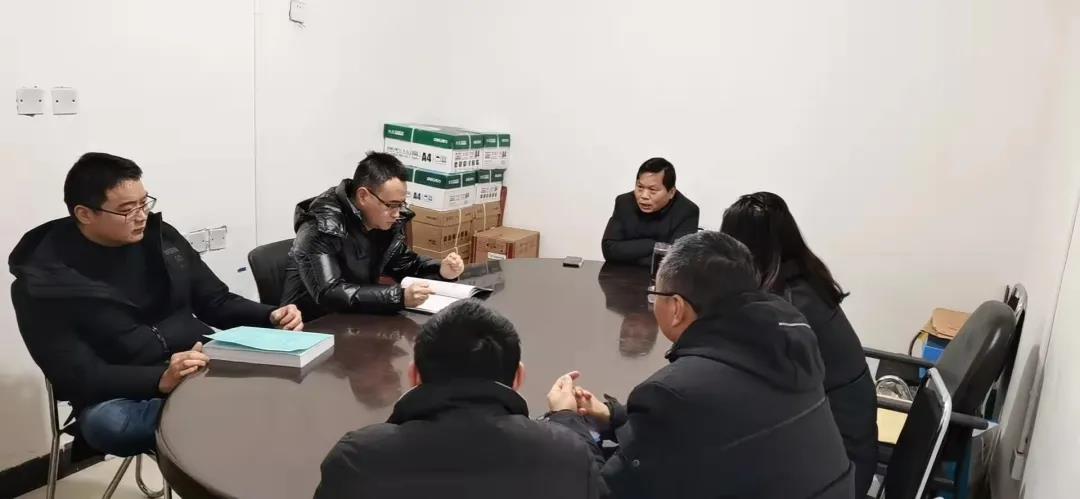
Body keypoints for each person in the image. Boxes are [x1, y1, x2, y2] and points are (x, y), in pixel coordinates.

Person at [9, 152, 303, 458]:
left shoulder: (161, 239)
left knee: (286, 378)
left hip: (197, 362)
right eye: (127, 210)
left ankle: (216, 419)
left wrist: (269, 315)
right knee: (110, 425)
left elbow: (215, 301)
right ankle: (216, 420)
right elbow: (77, 375)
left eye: (144, 203)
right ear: (85, 214)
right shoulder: (42, 282)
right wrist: (161, 379)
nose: (141, 216)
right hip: (120, 393)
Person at [557, 231, 855, 498]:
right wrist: (614, 416)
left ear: (676, 308)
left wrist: (566, 420)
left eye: (655, 294)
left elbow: (602, 491)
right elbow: (711, 426)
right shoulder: (789, 339)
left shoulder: (673, 392)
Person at [315, 300, 604, 499]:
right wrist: (566, 419)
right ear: (518, 377)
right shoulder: (569, 456)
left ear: (414, 375)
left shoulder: (357, 459)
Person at [721, 192, 878, 495]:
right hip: (841, 444)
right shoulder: (801, 279)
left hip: (834, 468)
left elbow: (750, 384)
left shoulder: (787, 307)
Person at [282, 152, 465, 320]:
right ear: (363, 196)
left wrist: (441, 270)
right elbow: (329, 292)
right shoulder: (321, 225)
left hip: (355, 319)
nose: (397, 213)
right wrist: (398, 297)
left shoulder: (381, 223)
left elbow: (405, 264)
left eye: (401, 204)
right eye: (391, 205)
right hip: (311, 325)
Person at [601, 157, 700, 266]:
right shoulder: (624, 203)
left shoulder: (687, 211)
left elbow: (676, 261)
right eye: (640, 187)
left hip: (662, 277)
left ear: (671, 192)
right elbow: (609, 249)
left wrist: (628, 254)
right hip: (620, 274)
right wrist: (654, 245)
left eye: (652, 190)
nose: (644, 196)